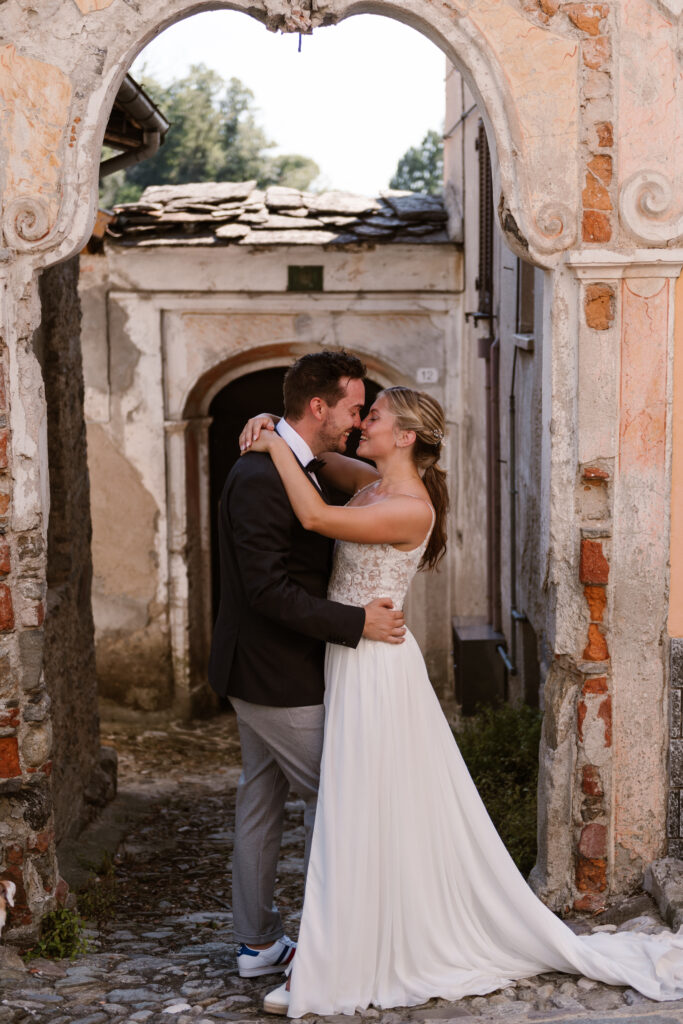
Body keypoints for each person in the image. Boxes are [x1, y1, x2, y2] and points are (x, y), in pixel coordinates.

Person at [240, 385, 683, 1017]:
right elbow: (310, 458)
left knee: (357, 805)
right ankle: (349, 945)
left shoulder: (411, 508)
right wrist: (271, 424)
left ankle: (344, 959)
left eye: (377, 417)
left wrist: (263, 443)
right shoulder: (369, 479)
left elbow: (313, 516)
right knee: (364, 807)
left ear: (406, 437)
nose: (364, 422)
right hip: (350, 656)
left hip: (377, 669)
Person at [208, 350, 406, 981]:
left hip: (271, 669)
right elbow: (266, 591)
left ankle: (258, 944)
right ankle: (332, 952)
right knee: (340, 800)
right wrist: (356, 623)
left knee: (261, 801)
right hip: (274, 674)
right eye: (353, 408)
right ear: (318, 406)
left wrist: (274, 427)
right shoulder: (262, 476)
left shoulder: (295, 462)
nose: (357, 420)